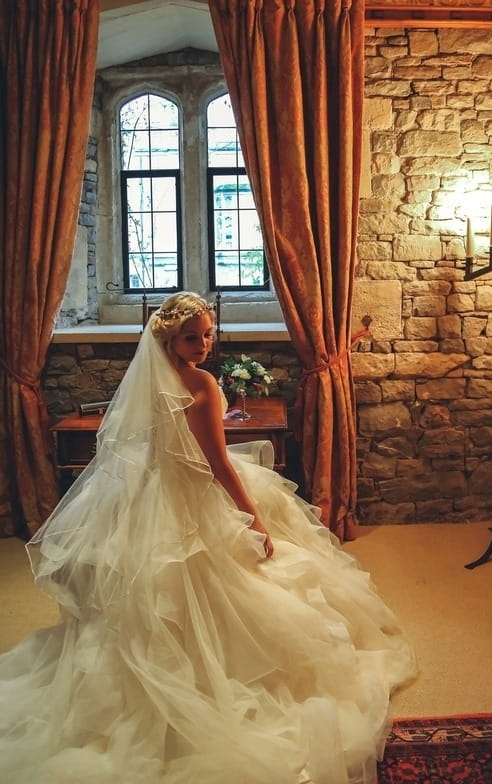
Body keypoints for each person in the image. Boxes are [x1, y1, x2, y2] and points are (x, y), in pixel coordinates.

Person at [0, 292, 417, 784]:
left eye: (206, 334)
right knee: (239, 577)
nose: (202, 344)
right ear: (169, 339)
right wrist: (252, 517)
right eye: (191, 337)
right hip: (189, 495)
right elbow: (218, 464)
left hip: (149, 492)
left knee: (147, 591)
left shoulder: (150, 382)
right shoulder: (200, 384)